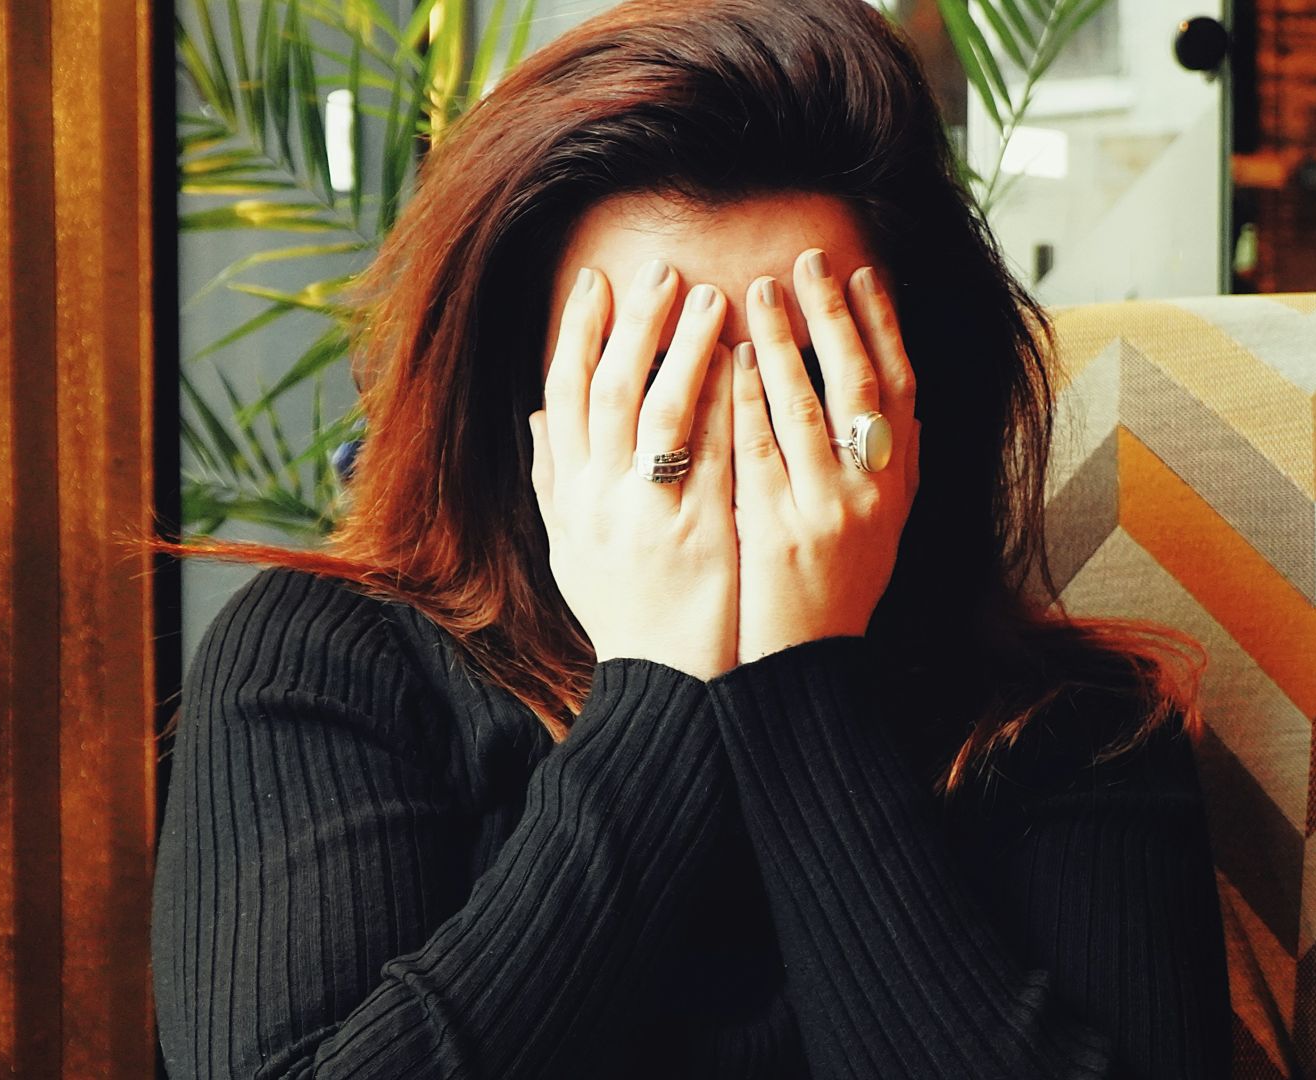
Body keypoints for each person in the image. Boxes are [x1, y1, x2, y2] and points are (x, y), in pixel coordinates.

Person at [147, 0, 1234, 1076]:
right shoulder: (326, 662)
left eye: (791, 369)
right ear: (519, 391)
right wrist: (658, 680)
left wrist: (801, 680)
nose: (722, 433)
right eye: (648, 372)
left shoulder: (1068, 731)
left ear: (909, 393)